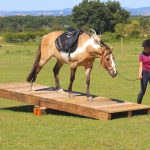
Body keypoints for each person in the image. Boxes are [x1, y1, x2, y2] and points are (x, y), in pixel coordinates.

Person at [137, 39, 150, 104]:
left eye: (146, 47)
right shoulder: (141, 55)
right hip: (144, 73)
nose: (144, 48)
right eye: (144, 47)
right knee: (143, 91)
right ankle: (138, 104)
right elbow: (140, 66)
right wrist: (140, 74)